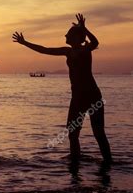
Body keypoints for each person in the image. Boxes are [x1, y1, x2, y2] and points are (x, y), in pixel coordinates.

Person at [12, 14, 112, 162]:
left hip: (92, 95)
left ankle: (108, 162)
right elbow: (44, 50)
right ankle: (75, 162)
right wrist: (25, 42)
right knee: (72, 133)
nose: (65, 35)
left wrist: (85, 28)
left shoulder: (85, 50)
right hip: (77, 97)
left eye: (69, 33)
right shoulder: (67, 51)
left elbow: (95, 42)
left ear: (77, 37)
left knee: (98, 133)